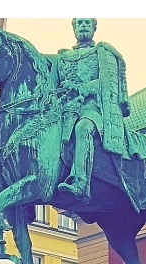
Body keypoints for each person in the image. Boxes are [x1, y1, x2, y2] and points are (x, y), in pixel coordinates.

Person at [55, 18, 131, 204]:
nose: (83, 26)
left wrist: (83, 88)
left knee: (83, 128)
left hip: (91, 108)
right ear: (73, 28)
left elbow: (106, 82)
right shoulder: (62, 57)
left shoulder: (102, 53)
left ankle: (80, 183)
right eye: (79, 23)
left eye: (87, 23)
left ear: (94, 28)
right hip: (64, 109)